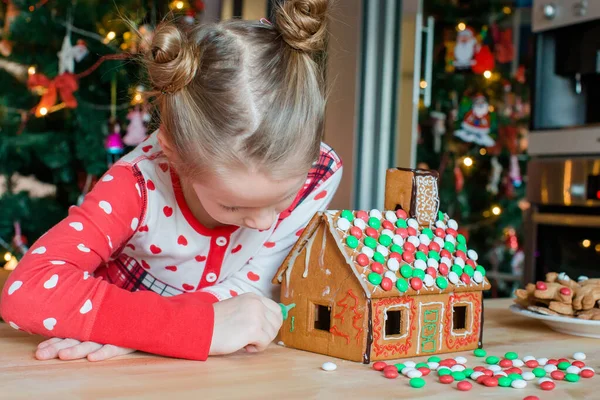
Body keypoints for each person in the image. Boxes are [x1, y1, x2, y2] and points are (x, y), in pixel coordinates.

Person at [0, 0, 341, 362]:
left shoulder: (318, 174)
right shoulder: (137, 183)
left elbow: (253, 292)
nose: (264, 222)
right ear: (173, 153)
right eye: (233, 204)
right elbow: (26, 290)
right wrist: (182, 329)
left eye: (281, 200)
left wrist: (145, 331)